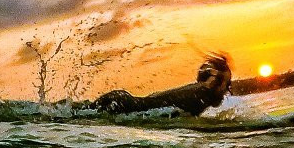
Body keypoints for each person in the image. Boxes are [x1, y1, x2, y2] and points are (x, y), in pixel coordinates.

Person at [92, 53, 233, 115]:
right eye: (227, 84)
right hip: (123, 106)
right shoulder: (203, 94)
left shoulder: (199, 94)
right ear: (214, 82)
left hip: (122, 100)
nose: (228, 90)